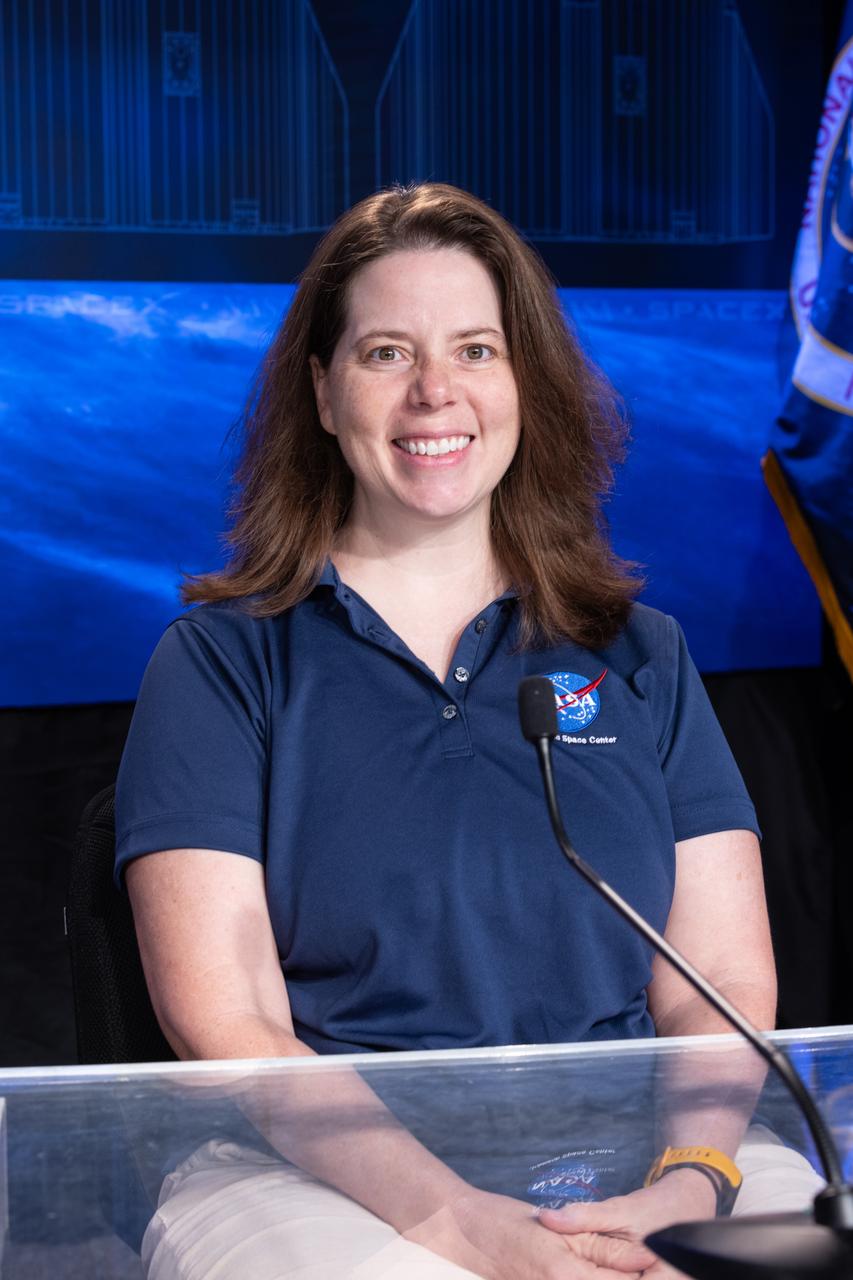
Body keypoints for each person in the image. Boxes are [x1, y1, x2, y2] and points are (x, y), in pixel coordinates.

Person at [115, 183, 815, 1279]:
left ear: (522, 383)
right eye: (386, 352)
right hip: (318, 1184)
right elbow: (229, 1020)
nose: (435, 391)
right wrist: (454, 1223)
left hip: (650, 1160)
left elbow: (718, 975)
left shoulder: (641, 655)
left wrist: (684, 1184)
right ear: (323, 389)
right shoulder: (218, 662)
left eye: (476, 349)